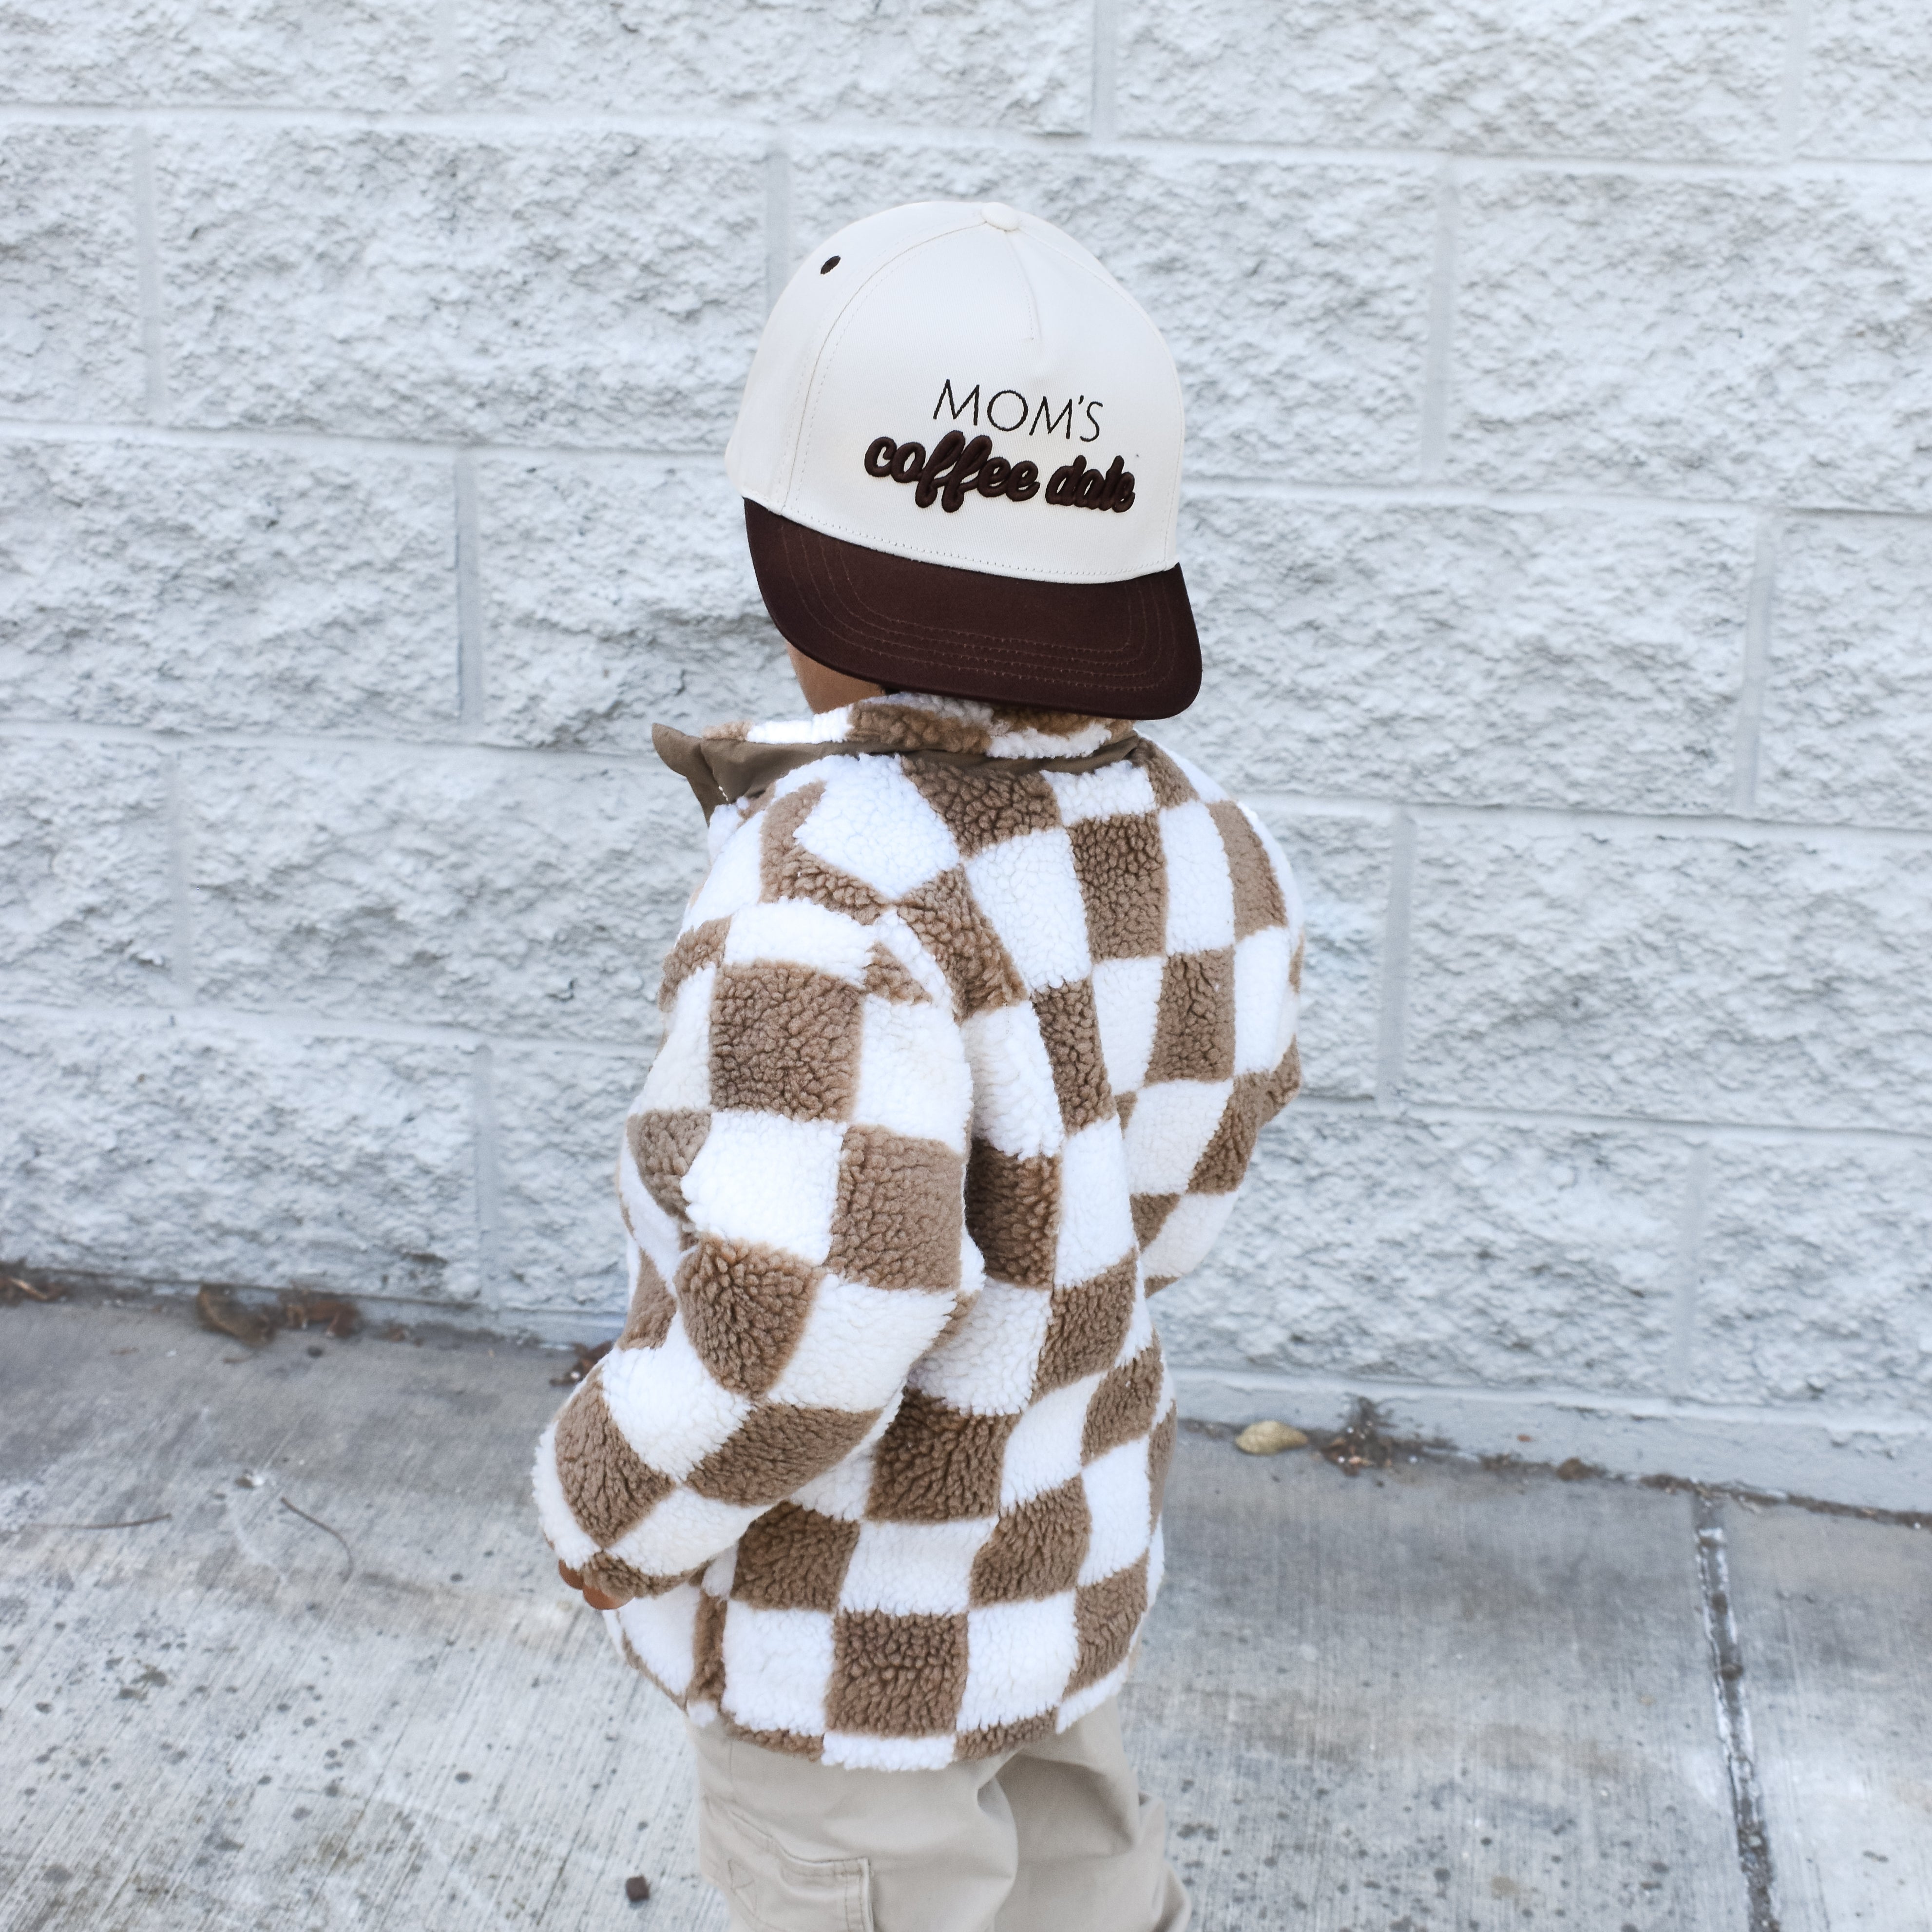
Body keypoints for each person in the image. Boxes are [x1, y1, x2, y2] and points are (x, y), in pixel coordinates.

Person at [533, 199, 1303, 1932]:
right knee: (1083, 1879)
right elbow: (1177, 1202)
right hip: (1061, 1545)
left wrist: (600, 1499)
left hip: (850, 1643)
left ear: (788, 556)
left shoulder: (827, 893)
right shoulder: (1210, 846)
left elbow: (798, 1329)